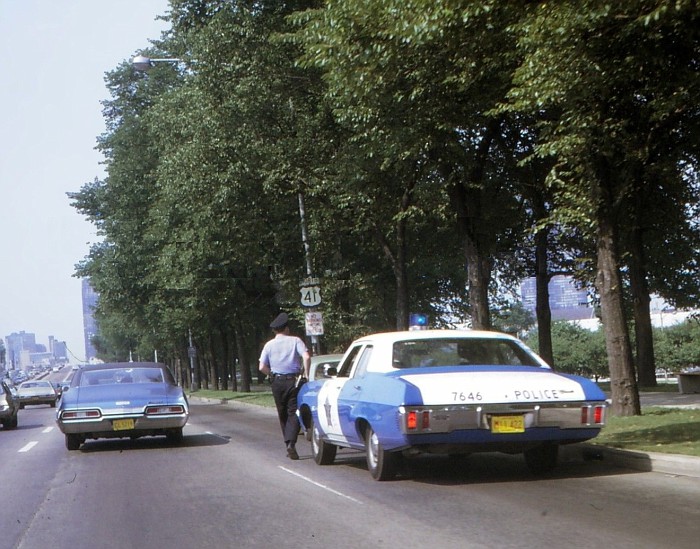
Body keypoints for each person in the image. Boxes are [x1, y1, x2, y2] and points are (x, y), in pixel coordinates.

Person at [258, 312, 310, 460]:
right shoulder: (295, 341)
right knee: (293, 411)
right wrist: (306, 374)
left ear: (275, 330)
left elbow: (261, 367)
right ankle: (291, 443)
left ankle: (287, 442)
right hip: (293, 381)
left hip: (277, 382)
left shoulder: (268, 345)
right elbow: (306, 356)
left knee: (282, 413)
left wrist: (271, 375)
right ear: (286, 328)